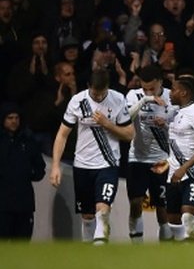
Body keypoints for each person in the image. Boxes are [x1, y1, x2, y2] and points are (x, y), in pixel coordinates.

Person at [49, 67, 134, 243]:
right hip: (82, 165)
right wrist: (56, 165)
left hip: (107, 164)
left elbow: (130, 134)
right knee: (87, 216)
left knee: (102, 210)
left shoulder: (118, 100)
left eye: (101, 94)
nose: (97, 97)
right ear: (88, 86)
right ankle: (89, 253)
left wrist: (108, 124)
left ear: (107, 88)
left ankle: (100, 247)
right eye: (94, 93)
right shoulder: (78, 101)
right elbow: (62, 134)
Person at [124, 65, 173, 242]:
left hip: (162, 160)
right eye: (145, 89)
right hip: (137, 158)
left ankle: (166, 252)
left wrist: (166, 123)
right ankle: (137, 247)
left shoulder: (171, 96)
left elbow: (182, 126)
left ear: (160, 82)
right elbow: (125, 118)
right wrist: (145, 100)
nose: (148, 92)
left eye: (152, 89)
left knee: (162, 208)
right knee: (136, 202)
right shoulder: (133, 96)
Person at [163, 76, 194, 242]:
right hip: (174, 173)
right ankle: (181, 256)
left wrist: (184, 167)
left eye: (173, 89)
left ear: (183, 92)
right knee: (172, 220)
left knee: (188, 217)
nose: (170, 93)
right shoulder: (178, 113)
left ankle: (193, 253)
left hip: (193, 173)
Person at [0, 103, 45, 239]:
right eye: (10, 118)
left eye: (16, 118)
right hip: (3, 203)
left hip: (24, 203)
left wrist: (27, 175)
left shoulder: (28, 141)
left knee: (22, 243)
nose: (14, 121)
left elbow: (39, 168)